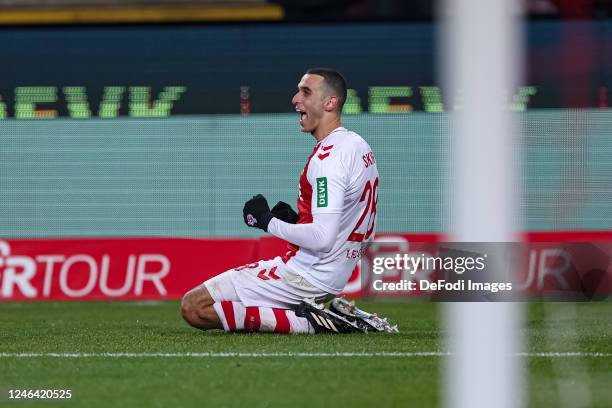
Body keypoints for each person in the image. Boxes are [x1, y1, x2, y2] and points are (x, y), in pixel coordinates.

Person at [181, 68, 384, 334]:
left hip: (306, 275)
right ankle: (315, 315)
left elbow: (323, 237)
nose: (295, 98)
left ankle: (314, 323)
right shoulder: (357, 145)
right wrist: (297, 222)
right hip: (333, 274)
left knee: (194, 307)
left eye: (306, 92)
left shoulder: (328, 160)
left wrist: (268, 222)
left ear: (330, 102)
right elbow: (348, 217)